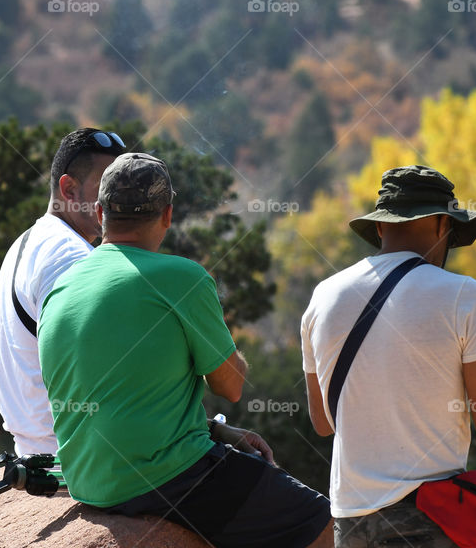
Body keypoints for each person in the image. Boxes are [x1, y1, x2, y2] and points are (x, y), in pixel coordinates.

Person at [38, 152, 333, 548]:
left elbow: (116, 396)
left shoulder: (61, 287)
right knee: (322, 520)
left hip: (87, 481)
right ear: (167, 215)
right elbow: (230, 386)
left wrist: (215, 429)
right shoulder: (181, 277)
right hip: (167, 477)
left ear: (100, 210)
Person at [300, 165, 476, 548]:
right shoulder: (464, 295)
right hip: (431, 517)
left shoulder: (323, 296)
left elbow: (323, 422)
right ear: (441, 225)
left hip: (351, 519)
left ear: (382, 227)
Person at [0, 128, 127, 455]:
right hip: (77, 457)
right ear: (68, 188)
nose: (118, 202)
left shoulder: (29, 242)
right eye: (106, 189)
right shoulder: (70, 257)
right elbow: (98, 375)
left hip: (38, 450)